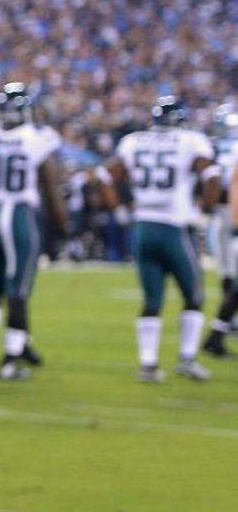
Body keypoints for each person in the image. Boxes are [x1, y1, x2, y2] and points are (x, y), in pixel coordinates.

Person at [97, 96, 219, 382]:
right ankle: (187, 359)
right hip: (175, 227)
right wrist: (204, 212)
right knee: (195, 294)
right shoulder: (191, 140)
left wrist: (119, 211)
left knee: (152, 299)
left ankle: (148, 364)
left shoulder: (133, 141)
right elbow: (212, 176)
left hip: (143, 227)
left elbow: (104, 176)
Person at [0, 82, 68, 380]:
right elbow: (49, 186)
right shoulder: (36, 138)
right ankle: (9, 361)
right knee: (18, 290)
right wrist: (63, 227)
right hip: (18, 214)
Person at [202, 103, 238, 358]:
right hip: (229, 215)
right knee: (232, 279)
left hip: (223, 214)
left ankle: (218, 334)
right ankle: (216, 336)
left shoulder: (214, 146)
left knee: (230, 275)